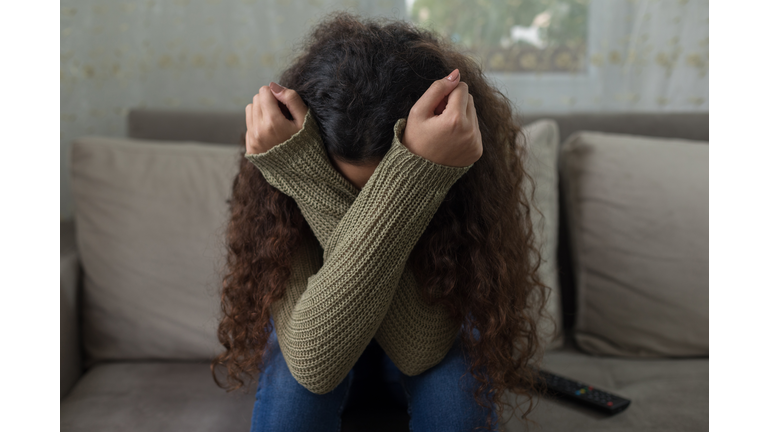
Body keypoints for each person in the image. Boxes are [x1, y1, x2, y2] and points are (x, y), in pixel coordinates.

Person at [211, 11, 553, 432]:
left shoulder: (461, 169)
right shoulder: (284, 175)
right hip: (321, 341)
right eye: (342, 186)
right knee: (292, 383)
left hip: (413, 350)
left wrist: (419, 177)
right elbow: (313, 363)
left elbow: (420, 351)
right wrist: (301, 173)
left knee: (456, 387)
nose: (363, 201)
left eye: (383, 187)